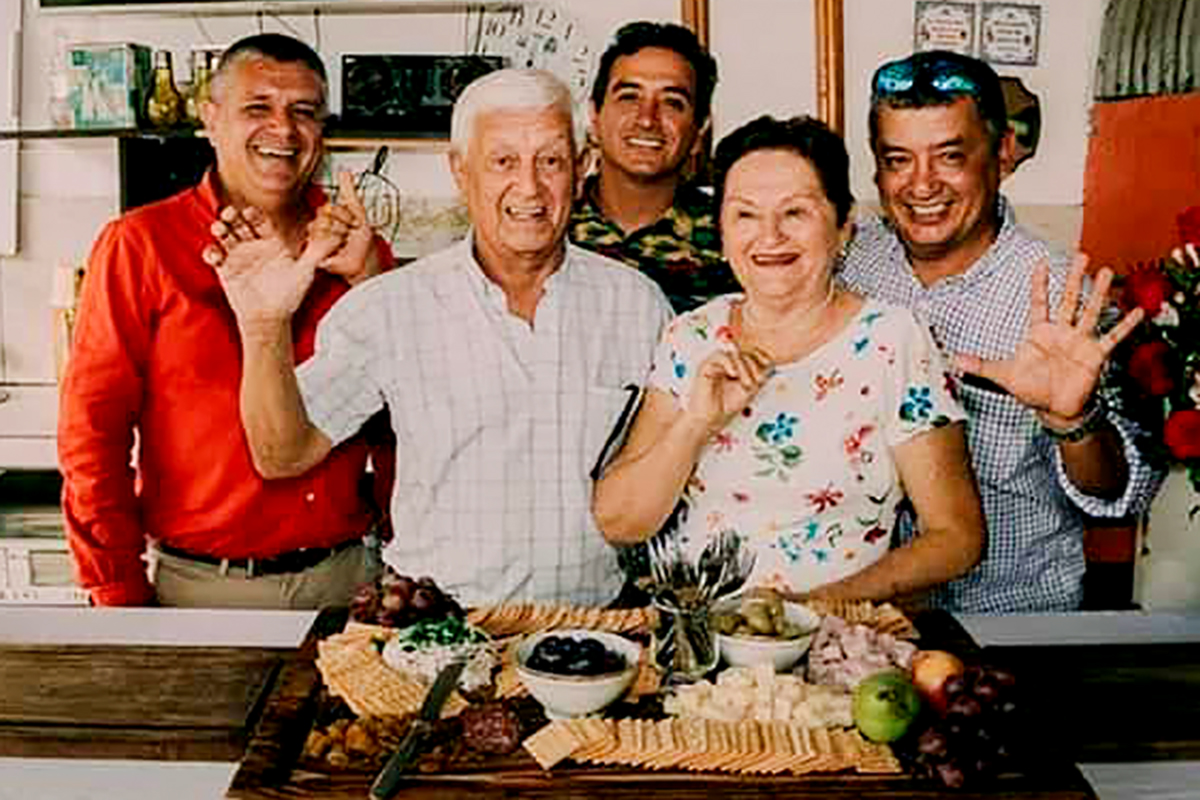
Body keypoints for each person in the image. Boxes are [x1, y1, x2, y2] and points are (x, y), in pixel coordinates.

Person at [210, 69, 673, 607]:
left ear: (583, 167)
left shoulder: (637, 306)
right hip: (435, 631)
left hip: (596, 632)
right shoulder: (390, 307)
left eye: (550, 161)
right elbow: (281, 454)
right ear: (460, 170)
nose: (529, 188)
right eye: (502, 161)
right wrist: (264, 327)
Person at [58, 34, 393, 609]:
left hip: (351, 580)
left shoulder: (359, 248)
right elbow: (93, 435)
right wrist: (116, 589)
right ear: (210, 120)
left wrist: (370, 282)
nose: (283, 131)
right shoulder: (139, 246)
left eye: (304, 112)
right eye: (257, 108)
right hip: (204, 588)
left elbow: (405, 423)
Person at [593, 115, 985, 603]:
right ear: (721, 233)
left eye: (795, 213)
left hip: (837, 644)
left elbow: (957, 537)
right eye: (745, 215)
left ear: (843, 227)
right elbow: (620, 521)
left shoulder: (892, 340)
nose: (770, 236)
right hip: (699, 650)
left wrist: (810, 610)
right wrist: (696, 424)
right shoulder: (692, 337)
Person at [840, 50, 1158, 613]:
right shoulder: (849, 267)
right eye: (898, 160)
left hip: (1009, 621)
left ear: (1003, 154)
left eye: (950, 156)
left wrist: (1073, 421)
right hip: (861, 616)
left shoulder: (1065, 297)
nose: (921, 185)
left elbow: (1120, 494)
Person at [570, 20, 739, 313]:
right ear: (595, 116)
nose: (647, 119)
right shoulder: (550, 222)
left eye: (672, 102)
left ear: (700, 131)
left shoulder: (735, 233)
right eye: (629, 97)